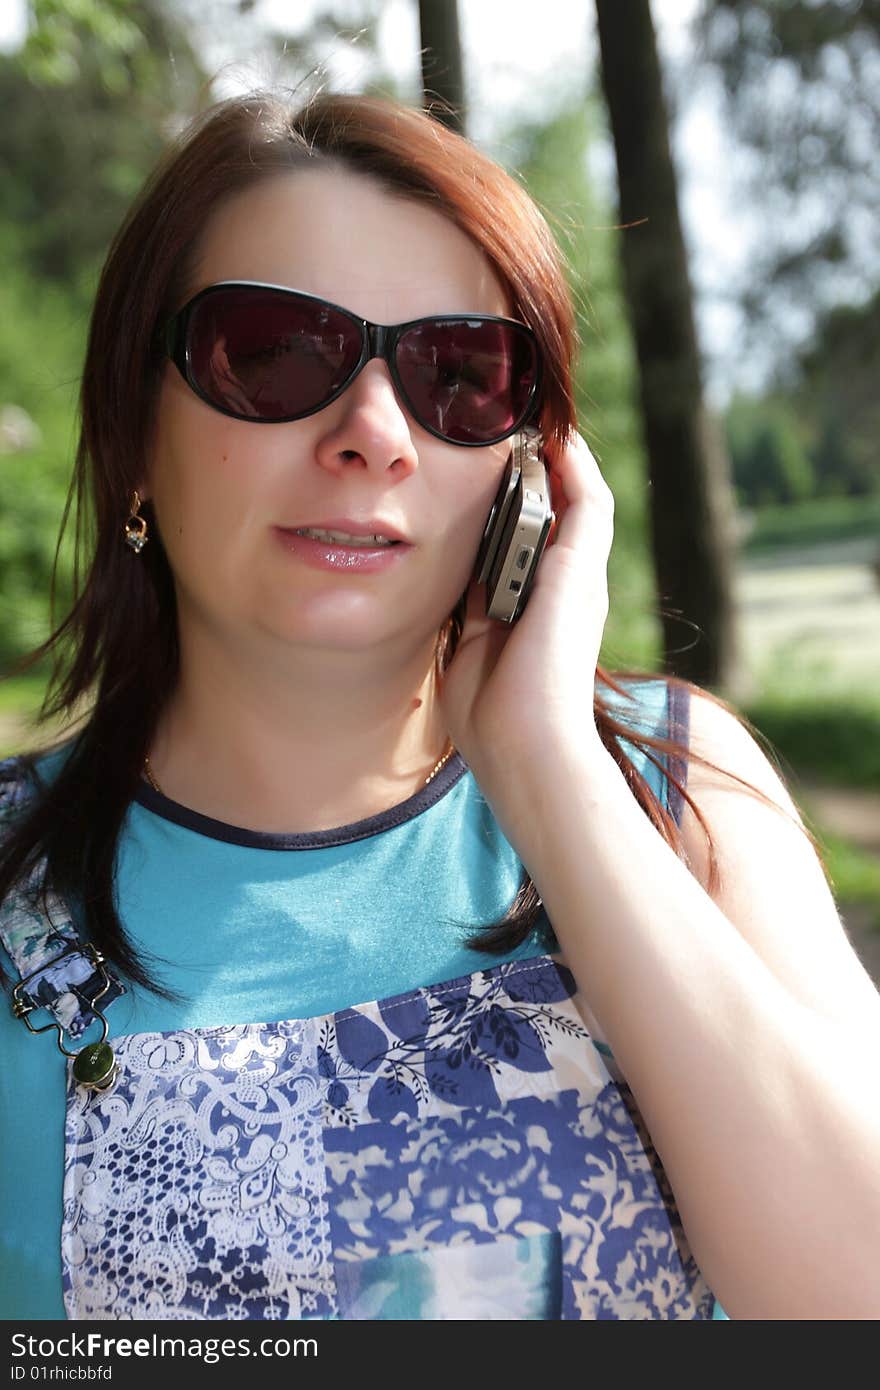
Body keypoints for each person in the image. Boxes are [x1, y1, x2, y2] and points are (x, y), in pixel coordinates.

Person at [1, 90, 878, 1324]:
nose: (373, 433)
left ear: (535, 470)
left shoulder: (680, 788)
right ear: (133, 432)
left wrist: (546, 770)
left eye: (460, 374)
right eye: (272, 353)